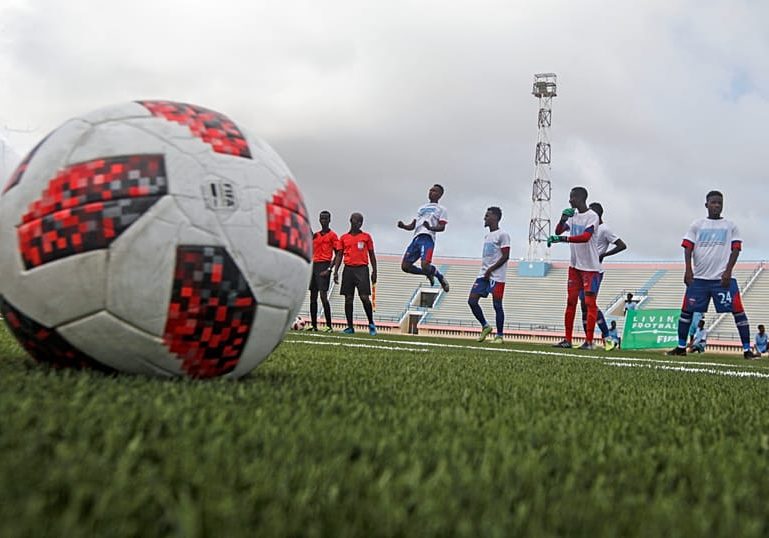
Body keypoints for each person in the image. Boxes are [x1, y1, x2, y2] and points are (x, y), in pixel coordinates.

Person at [666, 190, 760, 359]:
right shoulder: (697, 225)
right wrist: (688, 269)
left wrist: (728, 271)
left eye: (719, 203)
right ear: (706, 204)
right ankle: (680, 347)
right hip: (699, 280)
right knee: (686, 312)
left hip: (722, 280)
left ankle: (747, 350)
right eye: (713, 202)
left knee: (738, 311)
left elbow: (736, 249)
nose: (717, 205)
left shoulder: (730, 226)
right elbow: (688, 247)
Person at [548, 186, 601, 350]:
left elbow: (585, 237)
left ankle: (589, 341)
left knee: (589, 303)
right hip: (575, 266)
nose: (570, 200)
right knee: (570, 302)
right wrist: (563, 219)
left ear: (581, 198)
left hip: (590, 268)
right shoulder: (573, 216)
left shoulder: (592, 216)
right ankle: (568, 339)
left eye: (573, 198)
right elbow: (558, 230)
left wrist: (563, 239)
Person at [580, 202, 627, 351]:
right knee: (583, 305)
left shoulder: (604, 229)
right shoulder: (589, 228)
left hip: (595, 271)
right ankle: (589, 340)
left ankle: (607, 338)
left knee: (589, 304)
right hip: (583, 269)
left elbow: (621, 245)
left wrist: (604, 254)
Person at [468, 207, 510, 344]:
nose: (484, 218)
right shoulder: (487, 236)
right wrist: (486, 271)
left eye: (487, 216)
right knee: (472, 301)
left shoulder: (503, 235)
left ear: (496, 218)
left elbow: (505, 256)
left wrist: (490, 270)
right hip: (483, 274)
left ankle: (499, 335)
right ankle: (485, 326)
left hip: (497, 276)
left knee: (497, 305)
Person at [397, 184, 450, 292]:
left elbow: (442, 227)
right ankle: (427, 273)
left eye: (434, 191)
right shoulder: (422, 208)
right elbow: (413, 225)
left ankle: (439, 277)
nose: (431, 192)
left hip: (427, 238)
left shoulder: (441, 209)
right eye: (430, 190)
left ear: (440, 195)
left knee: (425, 265)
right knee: (405, 267)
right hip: (416, 238)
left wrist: (430, 227)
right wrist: (403, 226)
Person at [333, 212, 378, 336]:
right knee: (348, 298)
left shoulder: (366, 237)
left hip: (362, 269)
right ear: (351, 221)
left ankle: (371, 323)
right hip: (348, 269)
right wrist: (336, 271)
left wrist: (375, 271)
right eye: (356, 221)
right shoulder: (343, 238)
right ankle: (350, 327)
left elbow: (372, 254)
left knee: (364, 297)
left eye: (360, 222)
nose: (358, 223)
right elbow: (339, 255)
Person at [306, 210, 338, 332]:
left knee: (323, 296)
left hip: (324, 266)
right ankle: (314, 325)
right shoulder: (316, 236)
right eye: (321, 218)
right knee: (312, 296)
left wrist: (330, 269)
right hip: (314, 265)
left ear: (329, 220)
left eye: (325, 219)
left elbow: (338, 253)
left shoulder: (333, 236)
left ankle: (329, 326)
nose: (323, 221)